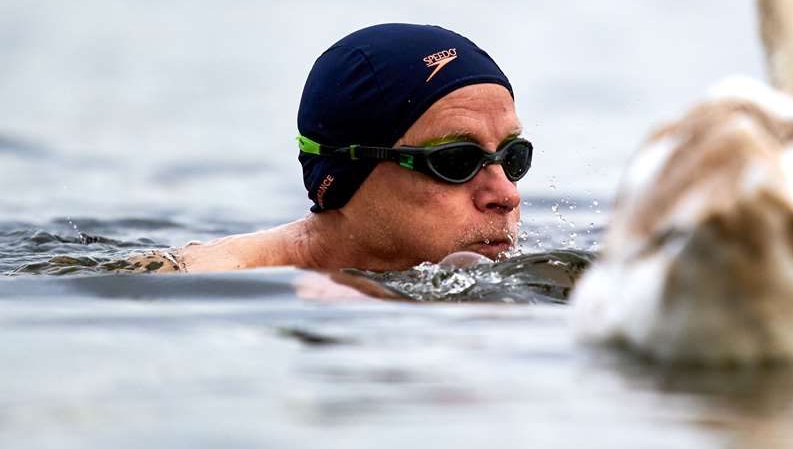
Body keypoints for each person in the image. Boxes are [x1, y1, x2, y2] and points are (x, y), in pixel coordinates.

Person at [142, 23, 529, 273]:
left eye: (513, 158)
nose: (507, 195)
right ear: (348, 173)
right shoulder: (189, 281)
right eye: (456, 159)